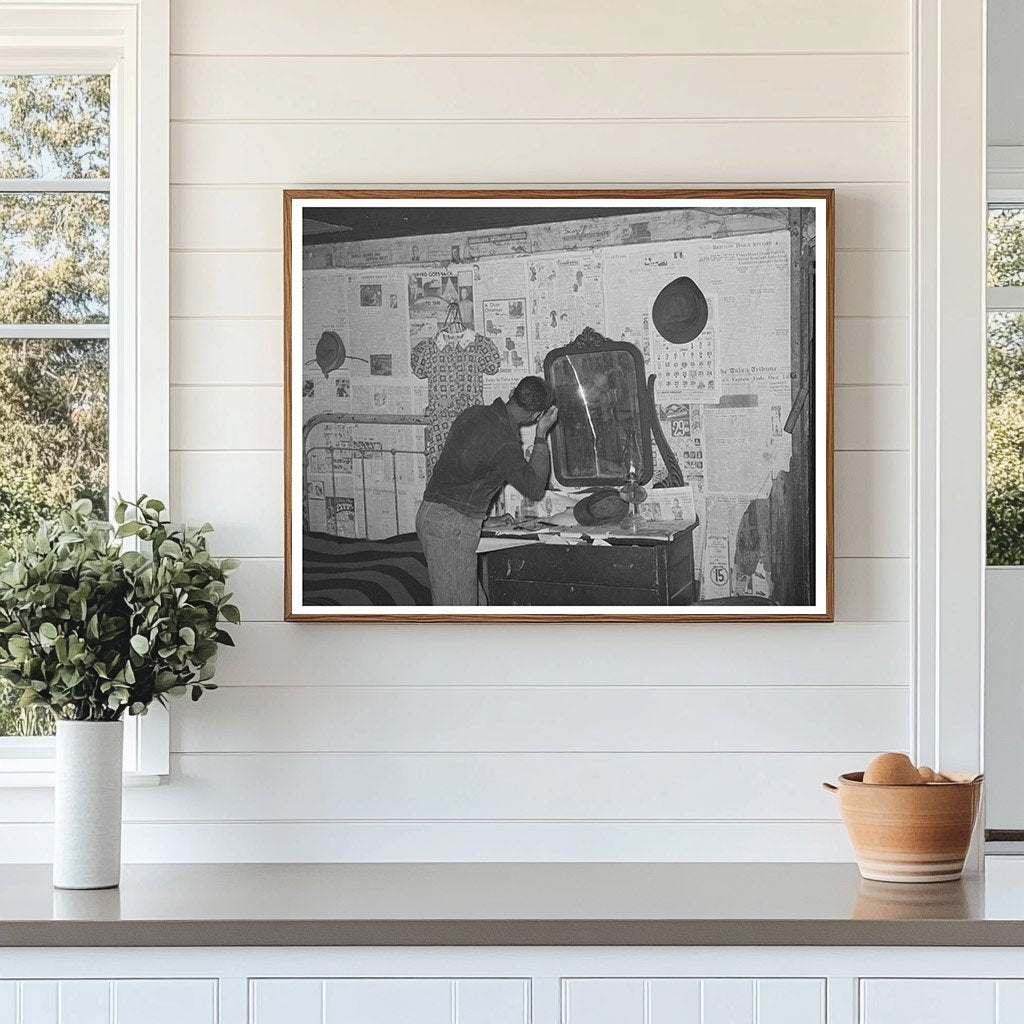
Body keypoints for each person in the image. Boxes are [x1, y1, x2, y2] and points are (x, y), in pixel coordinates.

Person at [415, 376, 558, 606]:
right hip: (452, 528)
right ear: (536, 416)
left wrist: (482, 521)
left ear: (513, 392)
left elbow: (465, 474)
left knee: (476, 605)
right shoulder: (504, 443)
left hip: (433, 513)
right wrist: (541, 434)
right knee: (458, 619)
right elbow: (534, 488)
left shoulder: (474, 413)